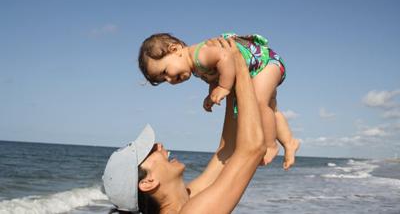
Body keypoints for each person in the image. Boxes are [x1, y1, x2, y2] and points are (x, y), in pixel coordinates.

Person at [103, 37, 267, 213]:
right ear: (147, 182)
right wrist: (240, 65)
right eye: (150, 151)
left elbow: (226, 152)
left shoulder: (188, 198)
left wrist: (227, 84)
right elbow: (253, 149)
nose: (159, 145)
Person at [138, 32, 299, 169]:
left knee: (259, 104)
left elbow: (224, 57)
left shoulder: (199, 55)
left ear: (175, 49)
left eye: (166, 71)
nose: (170, 79)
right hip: (261, 66)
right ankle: (289, 142)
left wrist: (224, 87)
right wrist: (213, 93)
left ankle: (270, 145)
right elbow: (216, 77)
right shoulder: (196, 67)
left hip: (264, 63)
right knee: (271, 109)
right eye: (164, 79)